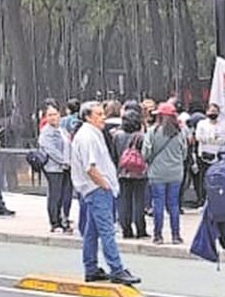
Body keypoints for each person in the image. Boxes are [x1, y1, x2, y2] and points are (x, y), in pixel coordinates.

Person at [71, 101, 140, 286]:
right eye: (99, 114)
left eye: (103, 113)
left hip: (95, 188)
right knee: (107, 230)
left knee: (92, 231)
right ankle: (116, 269)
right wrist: (105, 185)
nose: (103, 117)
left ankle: (91, 268)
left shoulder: (92, 134)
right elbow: (90, 167)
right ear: (88, 116)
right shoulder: (88, 137)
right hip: (97, 189)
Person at [144, 102, 188, 245]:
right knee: (174, 204)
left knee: (158, 204)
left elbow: (146, 153)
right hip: (176, 173)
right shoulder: (180, 132)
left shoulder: (153, 131)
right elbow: (184, 153)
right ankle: (176, 235)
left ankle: (158, 236)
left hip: (157, 173)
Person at [113, 108, 149, 239]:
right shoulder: (142, 136)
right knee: (139, 200)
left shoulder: (117, 135)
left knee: (124, 200)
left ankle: (126, 229)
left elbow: (114, 155)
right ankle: (140, 229)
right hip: (139, 172)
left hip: (123, 171)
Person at [38, 104, 74, 234]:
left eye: (55, 114)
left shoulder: (62, 129)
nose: (53, 117)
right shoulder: (46, 132)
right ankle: (55, 222)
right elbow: (51, 150)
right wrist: (64, 161)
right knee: (55, 195)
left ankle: (64, 219)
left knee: (66, 195)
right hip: (53, 168)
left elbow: (68, 145)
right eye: (49, 115)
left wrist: (70, 162)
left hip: (66, 167)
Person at [195, 103, 225, 209]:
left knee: (216, 180)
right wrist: (212, 139)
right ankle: (202, 200)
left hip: (217, 157)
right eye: (211, 111)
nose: (213, 114)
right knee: (203, 179)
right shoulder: (202, 124)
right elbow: (199, 137)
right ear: (206, 112)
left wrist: (210, 139)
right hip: (203, 156)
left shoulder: (223, 125)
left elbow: (222, 139)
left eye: (215, 112)